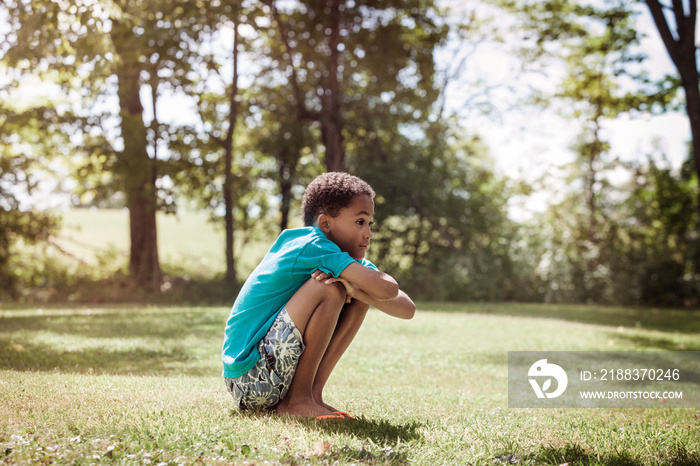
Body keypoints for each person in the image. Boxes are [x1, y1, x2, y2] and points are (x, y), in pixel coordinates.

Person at [221, 172, 415, 419]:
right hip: (248, 379)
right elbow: (387, 288)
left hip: (267, 378)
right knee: (330, 288)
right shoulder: (311, 244)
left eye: (370, 224)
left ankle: (311, 396)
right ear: (325, 224)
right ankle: (298, 401)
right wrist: (354, 287)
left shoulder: (343, 257)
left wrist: (357, 291)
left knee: (358, 294)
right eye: (360, 222)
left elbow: (406, 307)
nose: (369, 233)